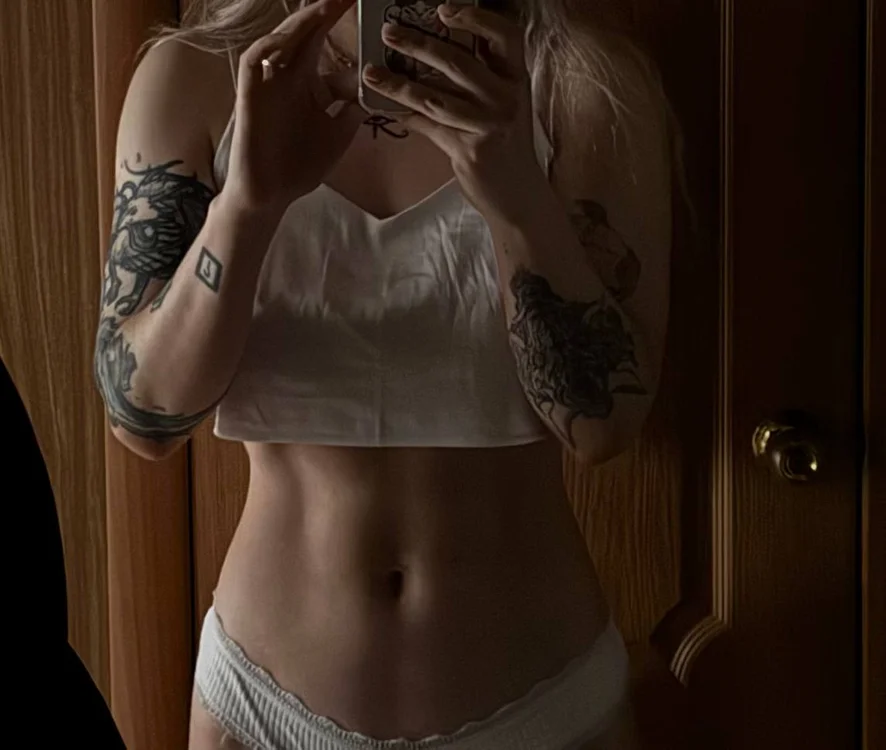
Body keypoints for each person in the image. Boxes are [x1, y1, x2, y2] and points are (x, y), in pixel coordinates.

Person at [93, 0, 672, 747]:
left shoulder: (577, 80)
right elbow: (142, 419)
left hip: (541, 705)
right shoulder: (197, 75)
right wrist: (247, 206)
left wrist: (517, 195)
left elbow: (602, 426)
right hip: (263, 708)